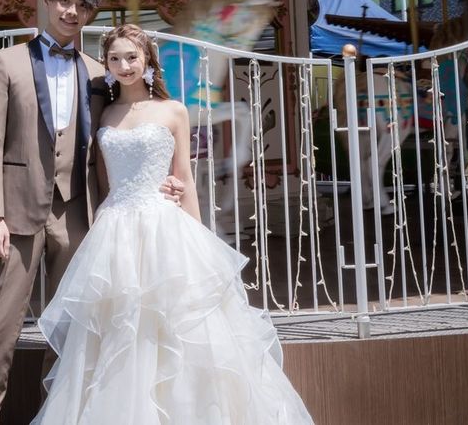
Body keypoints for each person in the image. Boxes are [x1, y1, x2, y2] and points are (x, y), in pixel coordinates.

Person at [32, 23, 315, 425]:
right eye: (115, 59)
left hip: (163, 226)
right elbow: (102, 182)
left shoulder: (174, 110)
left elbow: (184, 179)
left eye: (132, 57)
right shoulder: (104, 113)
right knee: (117, 328)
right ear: (107, 65)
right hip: (115, 228)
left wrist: (199, 240)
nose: (124, 65)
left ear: (147, 59)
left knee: (175, 327)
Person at [0, 0, 182, 425]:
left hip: (78, 214)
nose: (72, 11)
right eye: (64, 0)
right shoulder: (7, 62)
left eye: (82, 5)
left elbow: (122, 134)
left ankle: (56, 416)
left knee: (70, 331)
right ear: (47, 1)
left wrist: (156, 182)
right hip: (16, 213)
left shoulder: (99, 74)